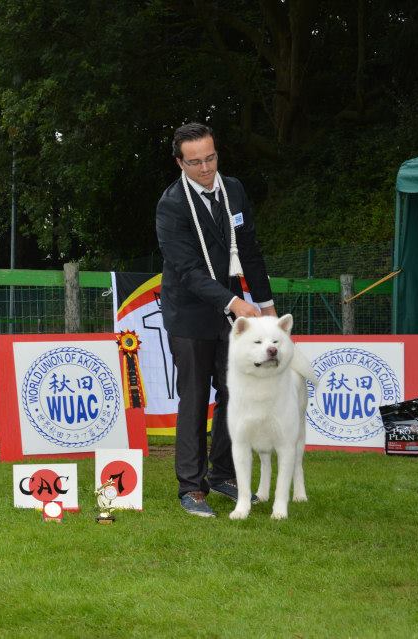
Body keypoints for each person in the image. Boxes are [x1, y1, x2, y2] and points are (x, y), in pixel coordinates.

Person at [155, 122, 276, 518]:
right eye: (195, 162)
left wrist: (266, 303)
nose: (205, 168)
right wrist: (233, 303)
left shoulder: (234, 189)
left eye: (210, 158)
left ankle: (223, 472)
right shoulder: (171, 206)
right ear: (179, 162)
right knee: (194, 399)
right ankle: (191, 487)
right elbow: (188, 271)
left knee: (233, 392)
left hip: (233, 314)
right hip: (189, 313)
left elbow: (251, 250)